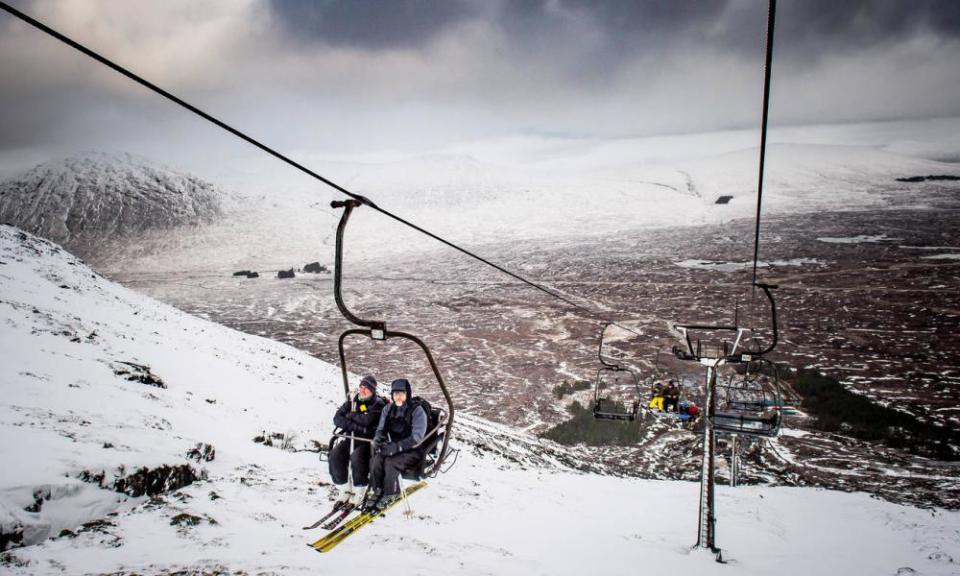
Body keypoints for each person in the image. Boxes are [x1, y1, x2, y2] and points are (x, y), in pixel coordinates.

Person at [364, 378, 428, 512]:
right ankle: (378, 490)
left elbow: (417, 437)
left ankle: (391, 492)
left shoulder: (417, 411)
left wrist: (397, 447)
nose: (398, 397)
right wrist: (378, 439)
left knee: (391, 462)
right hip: (393, 446)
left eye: (401, 393)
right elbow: (381, 429)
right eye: (395, 394)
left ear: (407, 394)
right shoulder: (388, 409)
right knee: (376, 460)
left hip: (413, 450)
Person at [328, 375, 386, 505]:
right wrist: (356, 424)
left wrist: (351, 416)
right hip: (351, 437)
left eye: (367, 388)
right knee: (335, 455)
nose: (363, 390)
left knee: (357, 457)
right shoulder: (352, 402)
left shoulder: (377, 405)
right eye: (361, 387)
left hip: (367, 441)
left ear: (372, 391)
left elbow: (368, 421)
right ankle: (344, 488)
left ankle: (359, 489)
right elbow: (337, 419)